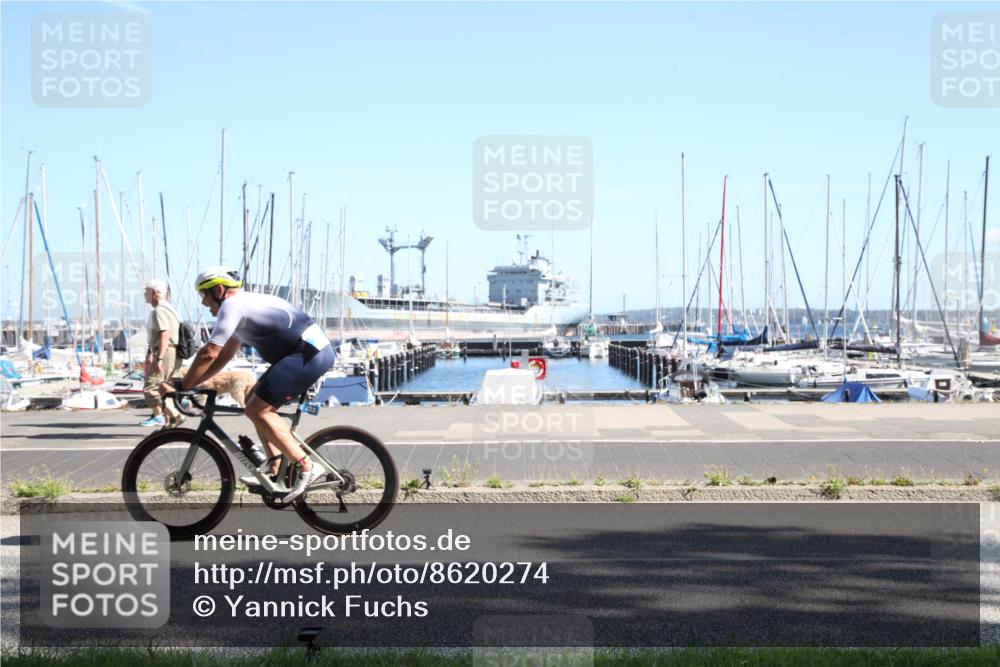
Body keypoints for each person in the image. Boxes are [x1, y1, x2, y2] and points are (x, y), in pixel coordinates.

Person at [160, 266, 335, 503]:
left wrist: (183, 385)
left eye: (203, 294)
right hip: (303, 354)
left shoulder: (232, 306)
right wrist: (191, 383)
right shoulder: (243, 308)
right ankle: (276, 471)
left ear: (219, 290)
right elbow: (223, 356)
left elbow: (209, 352)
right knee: (252, 401)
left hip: (308, 354)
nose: (203, 302)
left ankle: (306, 465)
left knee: (256, 409)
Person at [141, 279, 183, 427]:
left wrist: (159, 358)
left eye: (146, 291)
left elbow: (165, 334)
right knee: (165, 387)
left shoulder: (159, 310)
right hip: (175, 352)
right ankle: (170, 422)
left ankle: (174, 415)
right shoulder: (171, 309)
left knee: (151, 388)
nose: (144, 294)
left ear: (154, 293)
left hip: (166, 351)